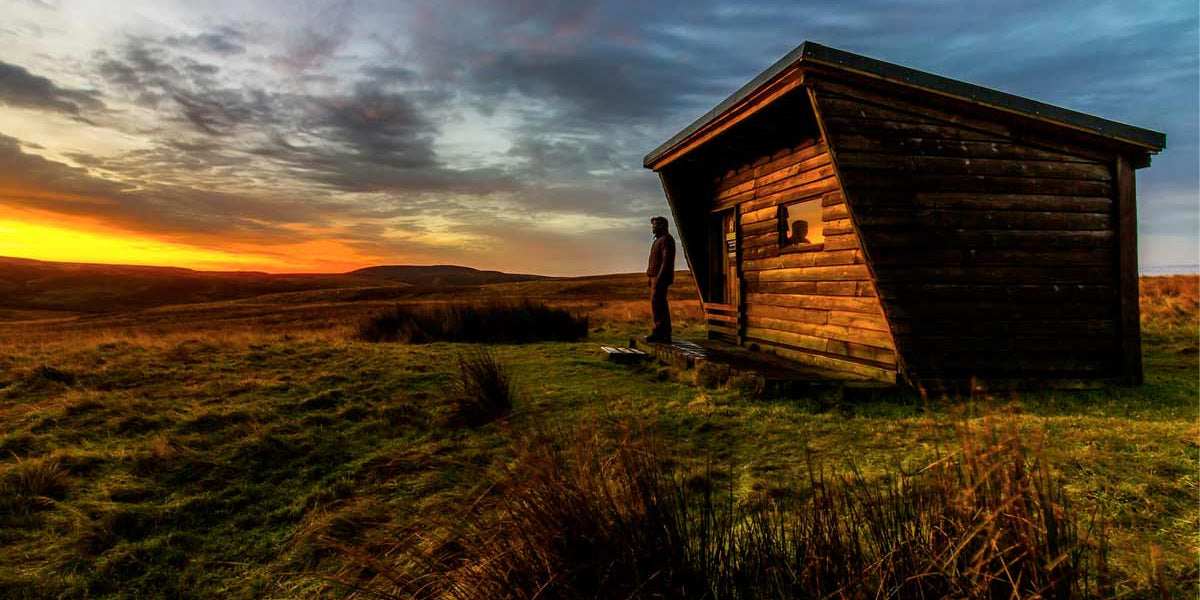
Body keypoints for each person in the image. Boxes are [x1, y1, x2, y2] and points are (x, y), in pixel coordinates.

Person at [645, 216, 676, 343]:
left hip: (660, 278)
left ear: (662, 226)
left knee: (659, 304)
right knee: (657, 304)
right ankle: (661, 332)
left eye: (655, 225)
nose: (653, 227)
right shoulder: (659, 240)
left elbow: (666, 261)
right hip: (655, 277)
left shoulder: (666, 240)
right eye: (653, 225)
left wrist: (659, 278)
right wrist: (650, 277)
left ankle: (661, 333)